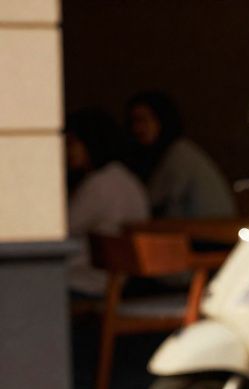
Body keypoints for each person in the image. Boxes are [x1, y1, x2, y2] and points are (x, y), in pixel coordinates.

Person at [64, 108, 151, 296]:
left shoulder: (99, 184)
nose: (67, 151)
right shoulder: (126, 178)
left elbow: (64, 228)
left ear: (91, 141)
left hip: (91, 280)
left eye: (72, 143)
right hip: (118, 279)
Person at [125, 90, 236, 219]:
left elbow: (153, 202)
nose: (137, 128)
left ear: (161, 120)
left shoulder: (179, 153)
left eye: (143, 120)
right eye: (134, 122)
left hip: (209, 232)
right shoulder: (168, 153)